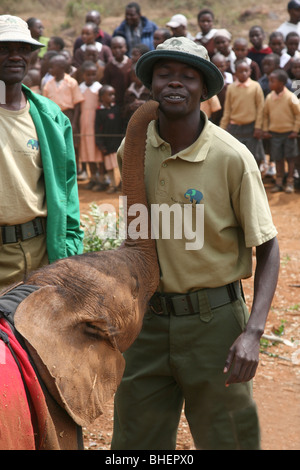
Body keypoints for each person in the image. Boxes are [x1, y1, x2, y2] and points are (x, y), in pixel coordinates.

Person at [111, 36, 280, 451]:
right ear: (150, 84)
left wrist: (253, 333)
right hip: (146, 322)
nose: (175, 84)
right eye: (164, 74)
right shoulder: (133, 149)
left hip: (215, 326)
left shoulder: (232, 157)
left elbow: (268, 246)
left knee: (230, 439)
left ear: (204, 90)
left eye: (188, 76)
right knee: (135, 442)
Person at [0, 15, 83, 289]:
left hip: (42, 256)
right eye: (4, 49)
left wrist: (69, 254)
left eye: (22, 49)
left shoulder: (51, 118)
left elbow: (68, 190)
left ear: (33, 56)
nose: (15, 57)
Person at [220, 59, 265, 167]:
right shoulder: (231, 88)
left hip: (251, 127)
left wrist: (258, 127)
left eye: (246, 71)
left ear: (250, 71)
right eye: (241, 71)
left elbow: (260, 108)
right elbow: (227, 109)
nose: (244, 73)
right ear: (235, 73)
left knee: (254, 156)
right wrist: (222, 128)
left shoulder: (255, 86)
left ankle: (255, 178)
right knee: (236, 156)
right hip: (235, 128)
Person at [263, 68, 300, 194]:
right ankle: (279, 181)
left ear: (282, 83)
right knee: (278, 158)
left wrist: (295, 130)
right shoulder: (269, 98)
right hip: (274, 134)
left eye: (272, 81)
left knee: (290, 159)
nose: (269, 83)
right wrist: (266, 130)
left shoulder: (291, 97)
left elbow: (298, 115)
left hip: (289, 134)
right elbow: (265, 115)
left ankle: (289, 181)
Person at [78, 61, 103, 191]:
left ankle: (102, 179)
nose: (91, 77)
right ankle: (93, 178)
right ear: (83, 75)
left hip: (96, 122)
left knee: (97, 151)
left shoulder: (99, 88)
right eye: (88, 74)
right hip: (84, 122)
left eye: (94, 74)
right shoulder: (80, 88)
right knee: (87, 151)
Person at [95, 85, 123, 193]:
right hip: (107, 145)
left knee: (118, 165)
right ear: (102, 97)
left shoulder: (116, 109)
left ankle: (121, 185)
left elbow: (121, 125)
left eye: (113, 94)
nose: (113, 97)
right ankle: (113, 185)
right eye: (110, 95)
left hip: (117, 144)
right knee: (110, 166)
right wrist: (100, 144)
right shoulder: (99, 112)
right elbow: (97, 129)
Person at [102, 36, 132, 114]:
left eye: (120, 47)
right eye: (114, 48)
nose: (117, 50)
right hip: (114, 103)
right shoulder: (109, 66)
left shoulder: (131, 64)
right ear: (111, 49)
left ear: (126, 48)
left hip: (129, 102)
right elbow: (106, 83)